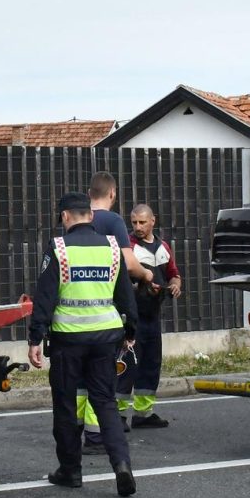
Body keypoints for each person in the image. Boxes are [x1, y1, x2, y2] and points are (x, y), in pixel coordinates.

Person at [28, 192, 138, 497]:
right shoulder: (113, 248)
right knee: (105, 402)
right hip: (106, 338)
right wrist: (131, 331)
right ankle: (122, 466)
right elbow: (125, 295)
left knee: (65, 405)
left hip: (68, 340)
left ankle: (71, 471)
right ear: (90, 215)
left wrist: (35, 338)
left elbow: (45, 298)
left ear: (65, 217)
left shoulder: (59, 248)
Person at [78, 171, 160, 453]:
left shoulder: (76, 219)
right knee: (104, 372)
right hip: (106, 306)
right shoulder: (112, 221)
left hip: (76, 308)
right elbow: (127, 263)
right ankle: (96, 434)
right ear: (112, 194)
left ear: (90, 195)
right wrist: (147, 274)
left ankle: (76, 427)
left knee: (79, 373)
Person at [117, 203, 181, 428]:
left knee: (151, 364)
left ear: (153, 221)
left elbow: (174, 275)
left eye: (142, 222)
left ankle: (144, 413)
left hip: (153, 316)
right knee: (127, 365)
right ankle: (119, 415)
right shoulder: (128, 248)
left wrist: (175, 286)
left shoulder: (163, 247)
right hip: (132, 317)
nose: (137, 227)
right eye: (134, 222)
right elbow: (120, 281)